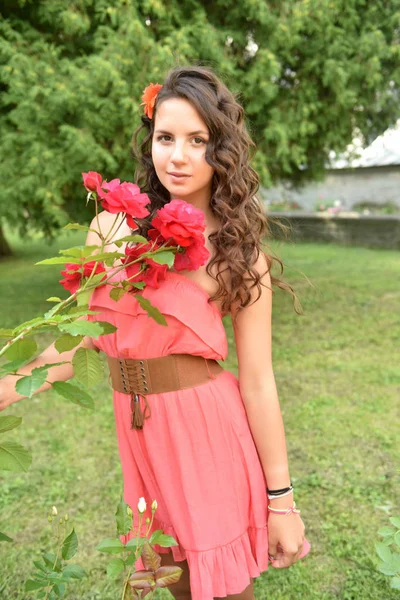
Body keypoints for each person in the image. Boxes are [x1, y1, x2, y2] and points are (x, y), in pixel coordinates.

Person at [0, 65, 310, 600]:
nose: (179, 155)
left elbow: (258, 382)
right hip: (139, 430)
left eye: (199, 140)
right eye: (166, 138)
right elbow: (82, 337)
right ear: (151, 143)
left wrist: (281, 501)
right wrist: (9, 386)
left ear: (223, 151)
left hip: (206, 430)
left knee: (223, 590)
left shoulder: (239, 256)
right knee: (176, 581)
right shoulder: (111, 229)